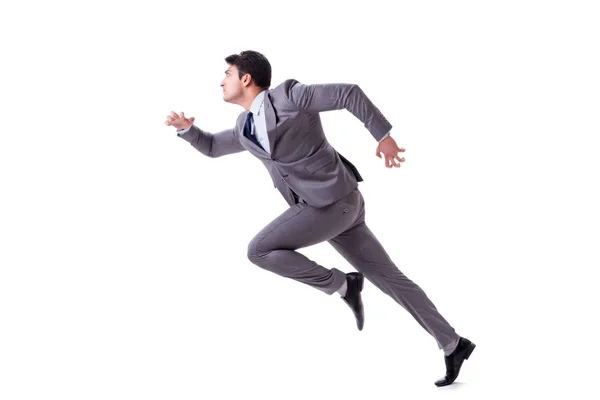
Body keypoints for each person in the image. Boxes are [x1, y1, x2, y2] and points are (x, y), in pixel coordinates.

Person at [164, 50, 475, 386]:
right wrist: (186, 130)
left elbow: (348, 93)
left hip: (331, 203)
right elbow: (211, 146)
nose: (221, 81)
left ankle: (344, 285)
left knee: (259, 250)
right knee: (391, 279)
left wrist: (384, 137)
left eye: (227, 73)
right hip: (334, 208)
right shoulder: (245, 127)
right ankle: (453, 343)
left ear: (246, 78)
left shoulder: (289, 96)